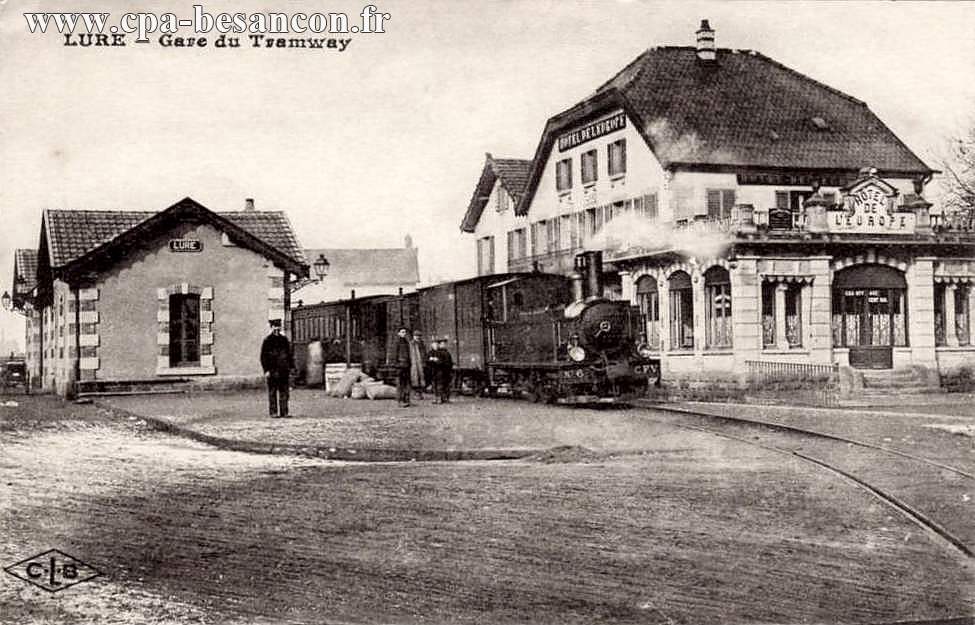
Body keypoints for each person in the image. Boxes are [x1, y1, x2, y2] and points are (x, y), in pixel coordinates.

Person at [260, 319, 292, 418]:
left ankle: (284, 412)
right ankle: (273, 412)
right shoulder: (267, 341)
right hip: (272, 370)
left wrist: (290, 367)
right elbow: (263, 357)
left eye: (278, 327)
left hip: (283, 370)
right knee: (272, 392)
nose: (277, 329)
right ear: (271, 327)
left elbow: (289, 355)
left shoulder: (284, 340)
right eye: (275, 326)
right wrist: (266, 370)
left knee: (284, 392)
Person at [428, 338, 454, 404]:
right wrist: (433, 360)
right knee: (438, 385)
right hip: (437, 371)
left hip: (445, 371)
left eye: (444, 344)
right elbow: (430, 361)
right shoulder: (437, 352)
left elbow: (447, 362)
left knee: (444, 385)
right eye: (442, 344)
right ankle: (439, 398)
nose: (444, 345)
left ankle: (444, 398)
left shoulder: (446, 352)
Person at [393, 327, 412, 407]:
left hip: (407, 366)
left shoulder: (406, 342)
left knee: (406, 383)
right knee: (400, 384)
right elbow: (394, 354)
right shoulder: (397, 342)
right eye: (402, 332)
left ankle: (406, 400)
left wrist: (409, 363)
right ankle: (400, 401)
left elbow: (408, 354)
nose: (404, 333)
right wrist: (396, 364)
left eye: (405, 332)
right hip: (400, 366)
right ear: (399, 333)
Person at [409, 329, 427, 399]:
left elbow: (424, 353)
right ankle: (415, 393)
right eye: (416, 336)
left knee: (421, 378)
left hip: (420, 363)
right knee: (414, 378)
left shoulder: (422, 344)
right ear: (413, 336)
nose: (417, 337)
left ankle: (420, 393)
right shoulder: (411, 344)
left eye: (419, 336)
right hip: (414, 363)